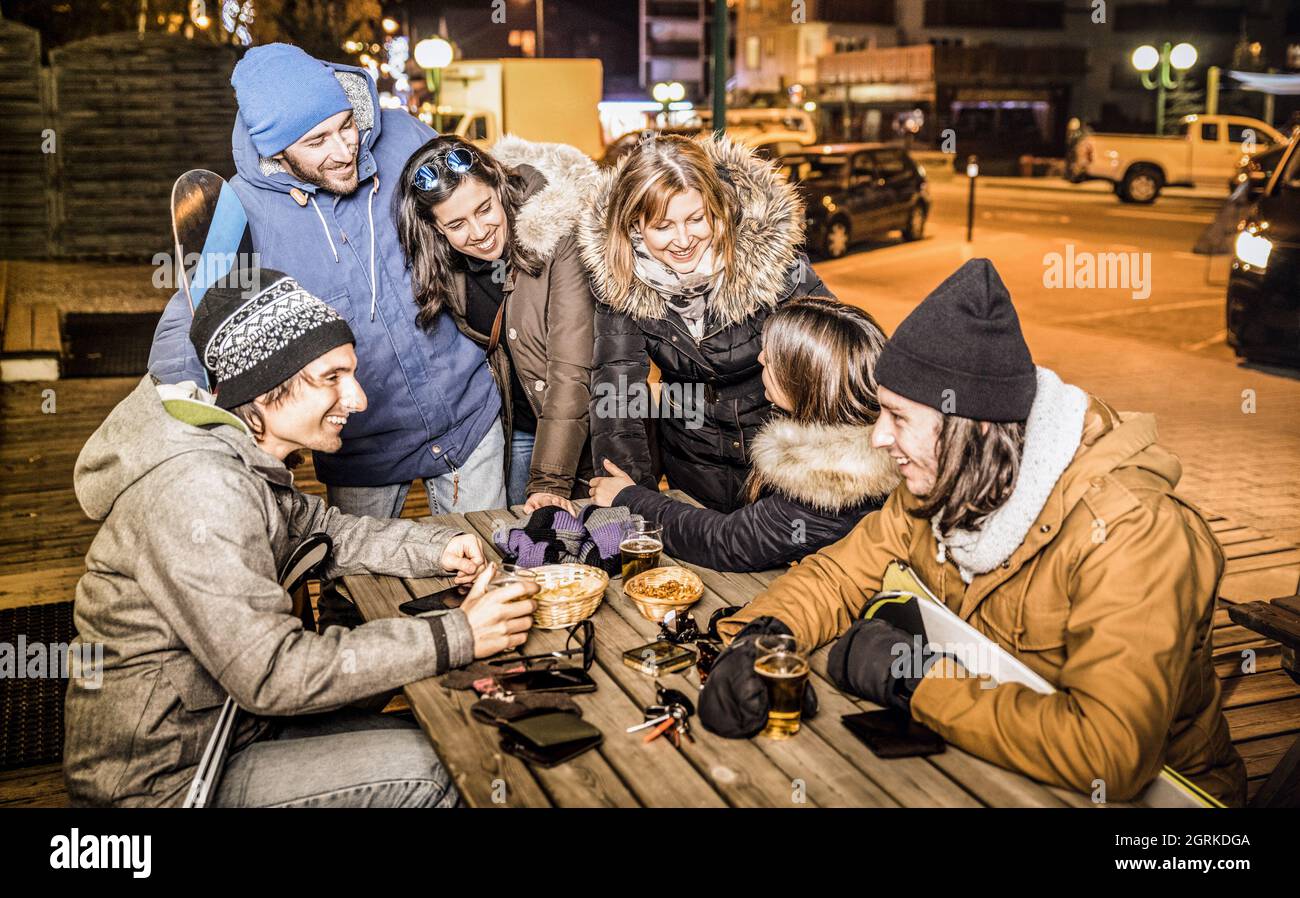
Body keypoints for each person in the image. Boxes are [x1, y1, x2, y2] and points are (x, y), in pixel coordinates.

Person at [701, 258, 1247, 805]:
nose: (878, 439)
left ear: (970, 427)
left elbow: (1110, 752)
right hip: (991, 767)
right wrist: (762, 636)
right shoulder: (941, 479)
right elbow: (838, 575)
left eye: (899, 417)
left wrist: (916, 680)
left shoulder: (1135, 535)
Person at [65, 270, 538, 807]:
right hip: (170, 782)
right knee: (441, 769)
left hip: (236, 729)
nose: (357, 399)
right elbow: (273, 673)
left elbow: (326, 530)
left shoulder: (235, 450)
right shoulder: (199, 488)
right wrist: (459, 633)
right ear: (266, 390)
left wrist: (435, 548)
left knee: (444, 731)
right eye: (331, 377)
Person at [148, 43, 506, 523]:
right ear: (274, 149)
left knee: (489, 561)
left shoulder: (401, 139)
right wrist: (184, 421)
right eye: (316, 141)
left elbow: (486, 191)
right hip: (360, 443)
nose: (344, 151)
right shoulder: (242, 211)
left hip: (469, 415)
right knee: (355, 585)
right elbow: (193, 318)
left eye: (346, 126)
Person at [579, 133, 832, 514]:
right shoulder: (620, 276)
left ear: (718, 209)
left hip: (780, 462)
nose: (683, 240)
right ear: (634, 225)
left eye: (696, 219)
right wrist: (632, 503)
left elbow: (833, 365)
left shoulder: (772, 263)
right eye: (663, 226)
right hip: (692, 460)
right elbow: (617, 392)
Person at [588, 297, 898, 572]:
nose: (760, 358)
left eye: (773, 355)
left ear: (806, 379)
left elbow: (727, 541)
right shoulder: (857, 436)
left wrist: (628, 498)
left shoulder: (835, 478)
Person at [395, 134, 598, 510]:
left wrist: (550, 481)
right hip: (517, 426)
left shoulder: (558, 237)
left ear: (500, 188)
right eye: (456, 224)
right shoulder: (444, 266)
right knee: (519, 543)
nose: (478, 232)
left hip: (586, 424)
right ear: (436, 229)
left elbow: (571, 370)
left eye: (484, 208)